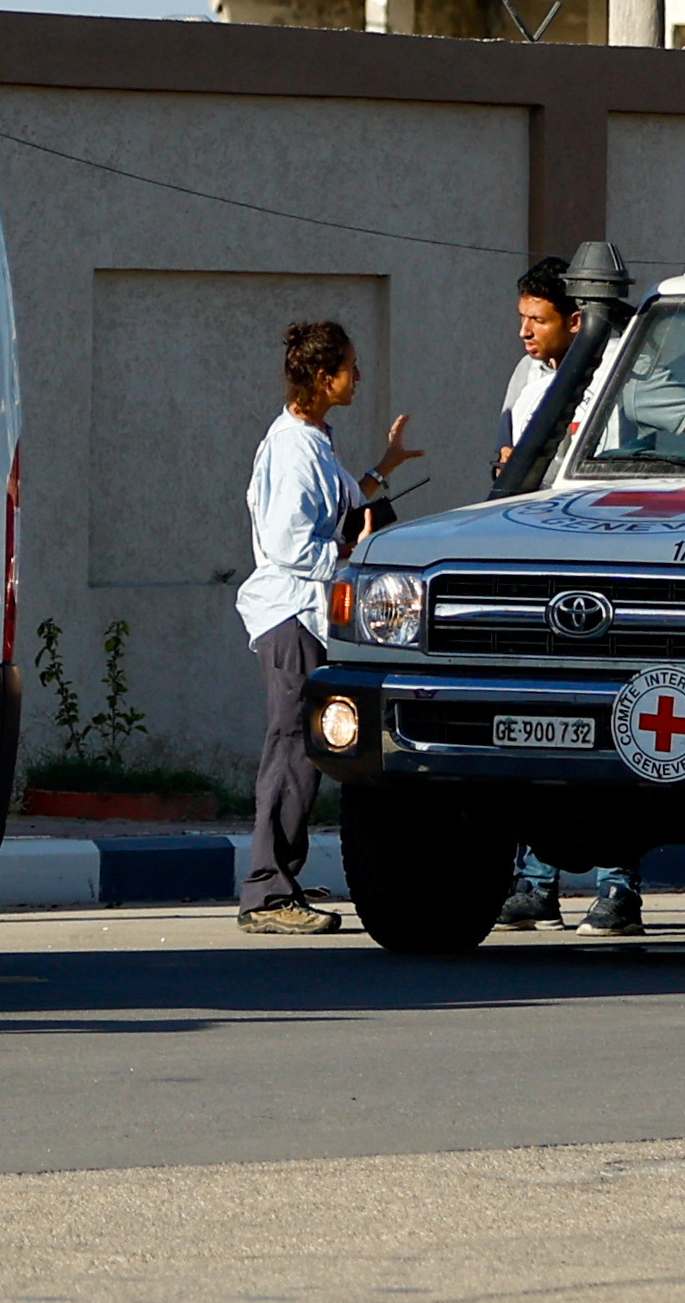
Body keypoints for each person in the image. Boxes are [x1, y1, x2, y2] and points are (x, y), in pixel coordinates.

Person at [237, 319, 413, 937]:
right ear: (321, 376)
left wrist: (382, 471)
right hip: (291, 613)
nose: (358, 376)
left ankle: (278, 881)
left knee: (306, 746)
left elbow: (338, 505)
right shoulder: (291, 447)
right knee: (292, 745)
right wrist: (347, 556)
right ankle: (267, 891)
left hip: (309, 613)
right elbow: (289, 544)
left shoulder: (314, 441)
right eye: (349, 367)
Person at [490, 258, 645, 938]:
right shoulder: (528, 377)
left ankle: (617, 888)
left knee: (612, 730)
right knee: (534, 726)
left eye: (539, 319)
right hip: (536, 570)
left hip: (607, 573)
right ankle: (536, 883)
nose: (524, 331)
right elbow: (506, 454)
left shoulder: (622, 373)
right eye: (521, 317)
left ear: (578, 319)